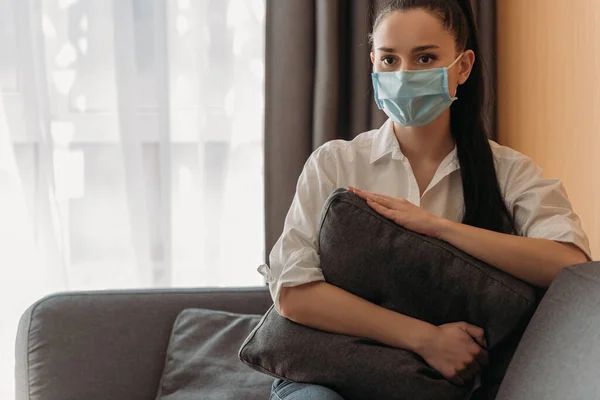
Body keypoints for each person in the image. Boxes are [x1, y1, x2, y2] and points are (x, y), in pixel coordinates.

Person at [259, 0, 592, 399]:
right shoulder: (334, 162)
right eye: (389, 60)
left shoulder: (509, 172)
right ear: (373, 63)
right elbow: (293, 293)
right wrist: (425, 339)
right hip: (327, 376)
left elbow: (569, 264)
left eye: (425, 58)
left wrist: (441, 228)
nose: (404, 74)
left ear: (463, 67)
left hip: (438, 387)